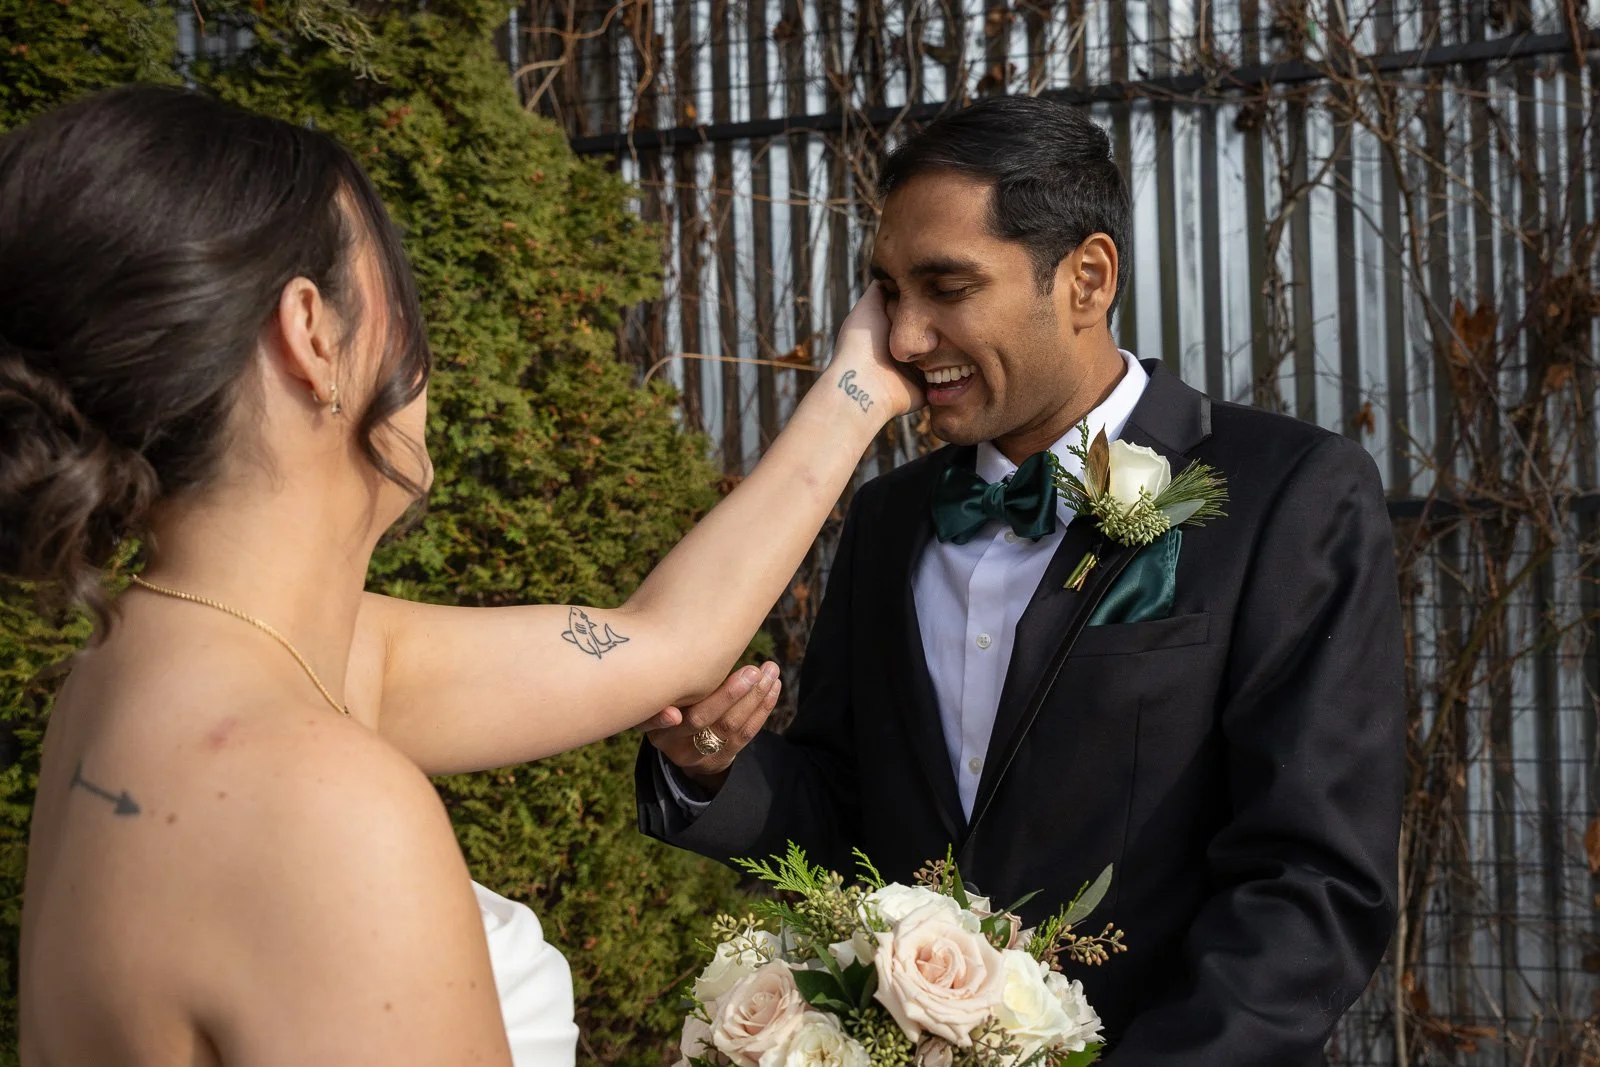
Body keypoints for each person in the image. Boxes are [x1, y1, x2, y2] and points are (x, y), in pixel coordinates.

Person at [2, 84, 915, 1067]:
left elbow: (664, 643)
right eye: (396, 280)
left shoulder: (148, 665)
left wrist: (862, 386)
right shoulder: (325, 807)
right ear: (312, 333)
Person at [638, 95, 1406, 1066]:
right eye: (886, 292)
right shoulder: (888, 519)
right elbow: (845, 816)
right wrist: (714, 769)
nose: (906, 338)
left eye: (946, 287)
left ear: (1085, 277)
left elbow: (1311, 876)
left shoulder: (1289, 491)